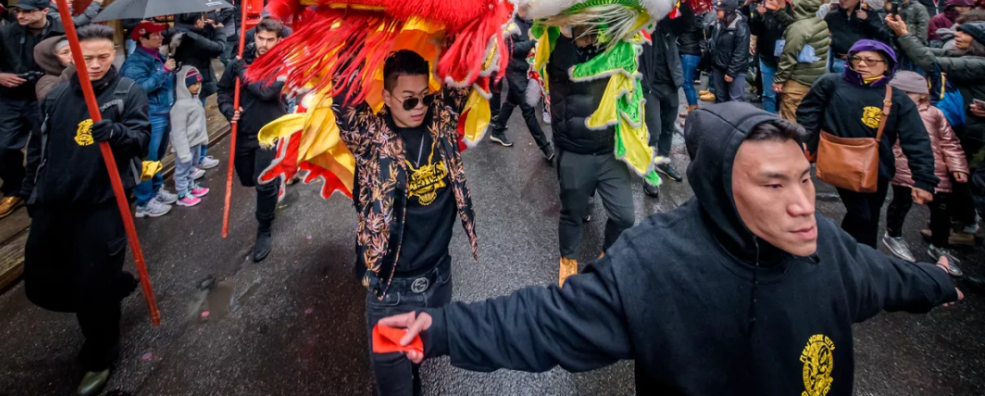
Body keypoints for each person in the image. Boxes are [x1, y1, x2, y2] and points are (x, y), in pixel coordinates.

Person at [377, 104, 961, 395]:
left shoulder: (826, 246)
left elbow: (886, 279)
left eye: (804, 178)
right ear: (719, 186)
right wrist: (440, 331)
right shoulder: (653, 262)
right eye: (772, 184)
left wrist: (939, 282)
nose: (803, 203)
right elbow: (548, 322)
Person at [332, 50, 474, 396]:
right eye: (409, 101)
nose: (420, 106)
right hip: (392, 294)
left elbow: (469, 57)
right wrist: (356, 28)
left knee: (419, 357)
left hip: (440, 280)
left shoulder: (441, 116)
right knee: (397, 389)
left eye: (425, 95)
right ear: (386, 96)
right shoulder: (370, 138)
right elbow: (344, 94)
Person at [22, 24, 150, 396]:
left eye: (103, 57)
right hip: (55, 202)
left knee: (94, 290)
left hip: (103, 205)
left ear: (114, 55)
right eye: (86, 57)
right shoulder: (57, 94)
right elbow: (39, 148)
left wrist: (118, 133)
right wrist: (32, 191)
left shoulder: (128, 92)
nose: (94, 64)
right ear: (73, 56)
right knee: (41, 282)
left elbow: (142, 139)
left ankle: (100, 356)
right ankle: (113, 287)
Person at [795, 39, 937, 248]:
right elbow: (808, 114)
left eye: (870, 61)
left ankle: (856, 253)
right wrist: (807, 145)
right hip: (840, 161)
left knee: (870, 214)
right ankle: (858, 256)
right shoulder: (830, 83)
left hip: (878, 167)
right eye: (856, 59)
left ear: (887, 65)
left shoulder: (897, 98)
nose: (861, 64)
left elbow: (916, 139)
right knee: (861, 215)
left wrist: (924, 180)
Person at [887, 14, 985, 247]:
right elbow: (928, 54)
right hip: (963, 125)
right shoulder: (963, 55)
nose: (957, 35)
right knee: (957, 178)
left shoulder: (980, 63)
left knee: (959, 179)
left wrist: (904, 34)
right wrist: (901, 35)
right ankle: (960, 223)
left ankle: (967, 225)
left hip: (972, 131)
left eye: (964, 32)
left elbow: (931, 61)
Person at [549, 30, 635, 285]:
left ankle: (607, 254)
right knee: (572, 214)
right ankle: (568, 260)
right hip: (576, 152)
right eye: (584, 29)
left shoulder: (613, 50)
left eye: (595, 28)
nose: (591, 34)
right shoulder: (560, 52)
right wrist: (566, 35)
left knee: (625, 216)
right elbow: (563, 69)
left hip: (609, 152)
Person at [0, 0, 64, 222]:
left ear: (45, 11)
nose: (20, 15)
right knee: (5, 148)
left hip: (46, 98)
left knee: (43, 148)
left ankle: (39, 188)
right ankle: (13, 190)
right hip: (11, 98)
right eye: (18, 11)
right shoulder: (5, 33)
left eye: (28, 11)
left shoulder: (62, 31)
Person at [882, 71, 968, 276]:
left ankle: (940, 245)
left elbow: (950, 142)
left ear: (922, 94)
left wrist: (958, 166)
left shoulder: (935, 114)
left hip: (938, 172)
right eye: (897, 92)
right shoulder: (890, 112)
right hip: (904, 170)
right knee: (901, 202)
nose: (900, 97)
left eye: (907, 92)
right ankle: (893, 235)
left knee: (942, 210)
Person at [218, 18, 286, 262]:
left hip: (270, 132)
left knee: (263, 183)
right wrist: (227, 110)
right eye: (261, 38)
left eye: (270, 40)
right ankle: (274, 185)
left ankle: (264, 228)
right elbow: (223, 90)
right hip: (244, 133)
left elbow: (266, 91)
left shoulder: (284, 63)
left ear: (279, 41)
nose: (265, 44)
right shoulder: (239, 61)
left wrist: (242, 72)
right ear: (254, 37)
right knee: (247, 178)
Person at [120, 21, 178, 219]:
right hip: (149, 116)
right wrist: (164, 71)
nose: (160, 38)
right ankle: (144, 201)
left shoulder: (158, 57)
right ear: (142, 39)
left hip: (163, 112)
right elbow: (139, 90)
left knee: (157, 157)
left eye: (161, 34)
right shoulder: (134, 63)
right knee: (148, 159)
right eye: (155, 35)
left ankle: (156, 188)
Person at [164, 12, 226, 170]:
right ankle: (195, 162)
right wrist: (219, 30)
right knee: (195, 124)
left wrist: (207, 29)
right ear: (198, 21)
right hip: (194, 84)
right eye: (203, 20)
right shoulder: (193, 39)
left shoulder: (179, 34)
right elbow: (218, 48)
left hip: (183, 82)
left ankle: (197, 158)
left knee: (190, 122)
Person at [489, 14, 554, 162]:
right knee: (528, 109)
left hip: (528, 71)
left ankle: (497, 130)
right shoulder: (511, 24)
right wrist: (533, 41)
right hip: (514, 72)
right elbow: (511, 49)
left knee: (511, 101)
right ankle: (546, 148)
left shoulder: (535, 22)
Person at [638, 13, 686, 195]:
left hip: (671, 85)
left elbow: (688, 21)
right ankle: (648, 171)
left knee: (668, 127)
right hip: (650, 88)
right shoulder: (638, 25)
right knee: (653, 131)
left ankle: (663, 161)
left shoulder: (669, 24)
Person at [771, 0, 829, 122]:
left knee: (792, 122)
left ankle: (797, 143)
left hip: (797, 81)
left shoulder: (799, 28)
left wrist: (779, 79)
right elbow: (797, 24)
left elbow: (789, 56)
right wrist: (778, 11)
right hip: (813, 79)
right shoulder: (819, 23)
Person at [169, 67, 211, 207]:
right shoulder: (179, 107)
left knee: (192, 166)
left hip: (196, 142)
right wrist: (183, 152)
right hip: (186, 146)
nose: (197, 87)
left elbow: (201, 122)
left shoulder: (196, 101)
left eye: (199, 84)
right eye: (193, 84)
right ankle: (182, 193)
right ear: (184, 86)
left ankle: (191, 186)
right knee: (182, 170)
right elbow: (178, 132)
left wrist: (203, 137)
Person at [823, 0, 889, 74]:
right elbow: (823, 31)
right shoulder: (832, 15)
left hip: (862, 62)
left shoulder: (870, 14)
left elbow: (883, 35)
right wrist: (830, 41)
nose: (842, 0)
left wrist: (866, 21)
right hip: (839, 61)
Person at [748, 0, 792, 113]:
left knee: (786, 95)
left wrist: (778, 11)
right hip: (766, 58)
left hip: (786, 61)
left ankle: (785, 123)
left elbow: (793, 28)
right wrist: (757, 15)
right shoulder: (765, 10)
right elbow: (755, 30)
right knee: (768, 95)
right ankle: (770, 123)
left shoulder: (792, 12)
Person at [708, 0, 750, 103]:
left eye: (719, 10)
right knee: (721, 99)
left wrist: (731, 72)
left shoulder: (740, 26)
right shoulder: (718, 24)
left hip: (735, 71)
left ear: (728, 11)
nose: (716, 12)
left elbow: (741, 52)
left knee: (735, 101)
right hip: (719, 67)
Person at [675, 2, 704, 112]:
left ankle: (693, 109)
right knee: (687, 83)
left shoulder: (687, 23)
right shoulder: (695, 21)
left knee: (687, 83)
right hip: (690, 53)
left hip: (688, 53)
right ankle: (691, 107)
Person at [33, 37, 73, 103]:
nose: (72, 55)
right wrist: (73, 67)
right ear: (53, 58)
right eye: (65, 52)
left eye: (75, 50)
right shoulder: (46, 81)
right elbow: (49, 99)